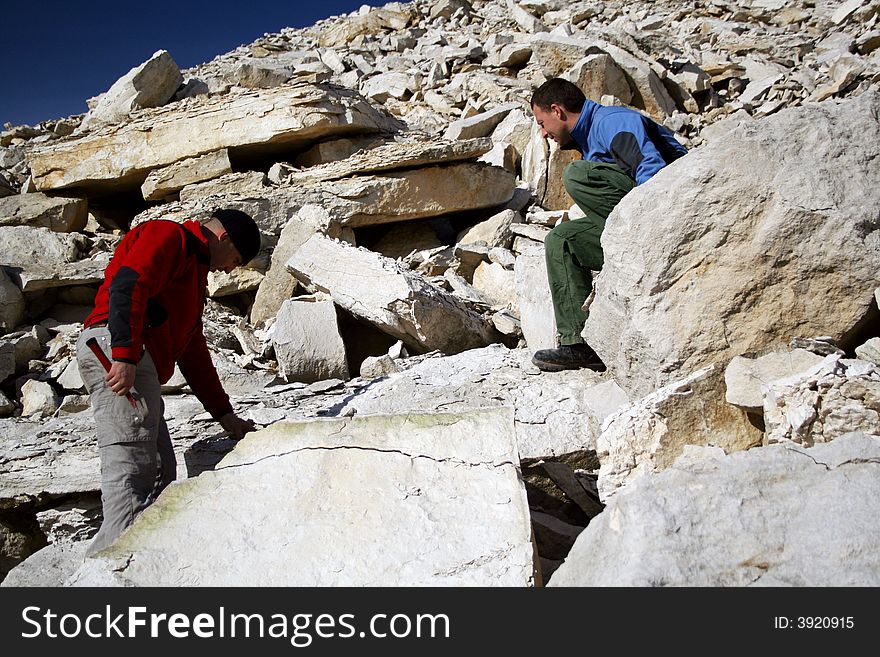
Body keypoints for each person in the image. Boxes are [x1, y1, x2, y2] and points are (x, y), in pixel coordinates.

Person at [76, 208, 262, 555]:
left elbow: (192, 352)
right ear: (224, 237)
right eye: (236, 259)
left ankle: (143, 564)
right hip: (117, 349)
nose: (230, 270)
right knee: (131, 476)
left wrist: (225, 415)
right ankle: (104, 572)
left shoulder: (192, 276)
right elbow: (128, 284)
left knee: (161, 471)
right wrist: (125, 355)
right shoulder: (170, 236)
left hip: (134, 356)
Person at [529, 78, 687, 372]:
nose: (543, 133)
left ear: (557, 111)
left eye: (542, 122)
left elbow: (654, 174)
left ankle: (642, 243)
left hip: (667, 218)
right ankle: (577, 345)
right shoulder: (588, 139)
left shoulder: (612, 122)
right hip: (631, 229)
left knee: (577, 174)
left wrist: (656, 231)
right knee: (561, 239)